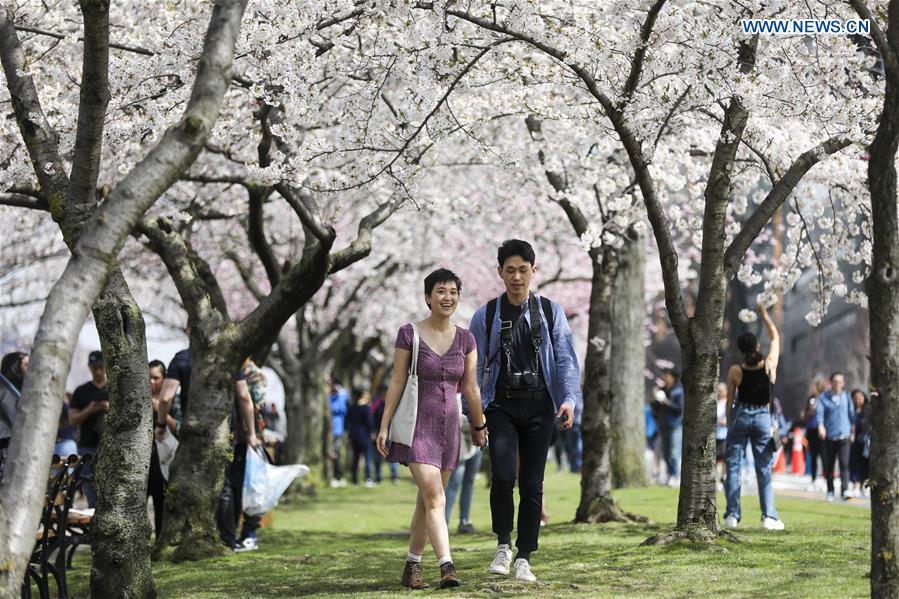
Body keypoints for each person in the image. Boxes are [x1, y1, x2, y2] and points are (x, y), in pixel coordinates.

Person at [469, 239, 579, 583]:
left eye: (523, 270)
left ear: (535, 271)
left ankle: (524, 556)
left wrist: (569, 398)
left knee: (533, 483)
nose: (517, 277)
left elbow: (565, 358)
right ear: (500, 273)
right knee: (502, 476)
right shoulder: (485, 315)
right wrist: (473, 415)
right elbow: (471, 371)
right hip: (500, 405)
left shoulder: (549, 311)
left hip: (539, 406)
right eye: (510, 270)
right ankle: (502, 544)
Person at [376, 268, 487, 590]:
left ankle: (412, 566)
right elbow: (397, 380)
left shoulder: (466, 339)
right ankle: (447, 566)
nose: (447, 297)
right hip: (416, 428)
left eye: (453, 291)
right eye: (440, 291)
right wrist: (384, 426)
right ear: (427, 297)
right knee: (436, 497)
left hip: (450, 428)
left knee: (426, 502)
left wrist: (479, 425)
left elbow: (471, 389)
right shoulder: (408, 334)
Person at [723, 304, 785, 531]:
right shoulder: (769, 365)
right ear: (757, 346)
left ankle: (732, 514)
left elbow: (730, 401)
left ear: (741, 350)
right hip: (762, 419)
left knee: (734, 467)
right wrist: (765, 316)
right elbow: (775, 338)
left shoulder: (735, 371)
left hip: (741, 416)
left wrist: (730, 423)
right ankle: (768, 517)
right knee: (763, 468)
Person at [216, 367, 263, 552]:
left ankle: (242, 534)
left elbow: (249, 400)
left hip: (241, 438)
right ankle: (239, 535)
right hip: (240, 437)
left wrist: (252, 434)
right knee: (240, 487)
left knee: (238, 487)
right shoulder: (238, 368)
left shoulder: (248, 372)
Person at [69, 351, 109, 508]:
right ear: (89, 367)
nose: (98, 371)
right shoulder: (81, 391)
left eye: (101, 367)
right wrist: (89, 410)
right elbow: (73, 419)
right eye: (94, 367)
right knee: (88, 485)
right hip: (87, 444)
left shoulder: (114, 389)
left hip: (109, 446)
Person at [445, 392, 483, 533]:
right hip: (460, 445)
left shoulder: (477, 392)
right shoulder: (454, 396)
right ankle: (444, 521)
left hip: (476, 444)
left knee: (469, 483)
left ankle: (465, 520)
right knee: (454, 483)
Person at [816, 372, 856, 502]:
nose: (838, 384)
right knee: (829, 466)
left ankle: (845, 490)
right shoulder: (824, 397)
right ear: (831, 382)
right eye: (835, 381)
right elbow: (820, 413)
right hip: (829, 436)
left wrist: (853, 432)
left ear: (843, 384)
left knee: (844, 464)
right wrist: (821, 426)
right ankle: (830, 490)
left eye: (840, 382)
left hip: (844, 435)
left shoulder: (847, 397)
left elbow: (852, 415)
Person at [148, 360, 176, 539]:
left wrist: (162, 412)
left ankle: (160, 541)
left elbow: (179, 427)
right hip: (143, 458)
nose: (152, 382)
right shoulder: (138, 399)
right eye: (149, 378)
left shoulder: (172, 399)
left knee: (161, 503)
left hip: (164, 459)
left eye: (156, 378)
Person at [652, 368, 684, 486]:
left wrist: (667, 402)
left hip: (675, 425)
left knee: (673, 452)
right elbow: (655, 408)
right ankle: (669, 474)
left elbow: (679, 409)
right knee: (665, 453)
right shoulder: (662, 390)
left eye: (667, 375)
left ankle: (675, 476)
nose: (664, 377)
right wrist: (654, 398)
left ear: (673, 377)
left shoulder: (679, 391)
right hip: (662, 424)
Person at [346, 387, 376, 486]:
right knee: (367, 457)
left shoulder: (352, 407)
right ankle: (368, 478)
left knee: (356, 458)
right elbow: (370, 422)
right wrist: (372, 432)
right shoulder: (366, 408)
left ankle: (355, 479)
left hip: (354, 435)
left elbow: (347, 421)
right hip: (364, 435)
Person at [801, 379, 827, 491]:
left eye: (813, 387)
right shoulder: (810, 399)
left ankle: (826, 480)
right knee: (813, 455)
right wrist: (808, 412)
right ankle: (813, 479)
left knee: (824, 456)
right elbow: (804, 415)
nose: (811, 389)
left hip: (821, 430)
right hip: (811, 430)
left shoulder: (825, 399)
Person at [371, 388, 399, 484]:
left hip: (391, 434)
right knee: (378, 456)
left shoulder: (394, 405)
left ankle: (394, 476)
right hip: (380, 433)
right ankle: (378, 477)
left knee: (392, 455)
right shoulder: (377, 405)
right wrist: (374, 432)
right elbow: (372, 419)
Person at [328, 377, 350, 488]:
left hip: (337, 428)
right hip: (333, 428)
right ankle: (336, 476)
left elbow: (341, 408)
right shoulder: (333, 396)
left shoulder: (339, 396)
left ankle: (338, 476)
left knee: (335, 453)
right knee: (334, 453)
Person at [849, 389, 870, 498]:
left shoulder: (868, 410)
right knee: (854, 463)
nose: (858, 400)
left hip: (865, 443)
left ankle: (864, 485)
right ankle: (855, 485)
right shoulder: (850, 410)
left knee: (864, 464)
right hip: (853, 442)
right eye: (855, 398)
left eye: (860, 398)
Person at [715, 382, 729, 488]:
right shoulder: (713, 403)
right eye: (718, 390)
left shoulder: (728, 403)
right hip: (714, 435)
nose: (719, 393)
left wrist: (726, 421)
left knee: (724, 458)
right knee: (714, 459)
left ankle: (723, 478)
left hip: (724, 435)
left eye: (721, 391)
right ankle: (715, 479)